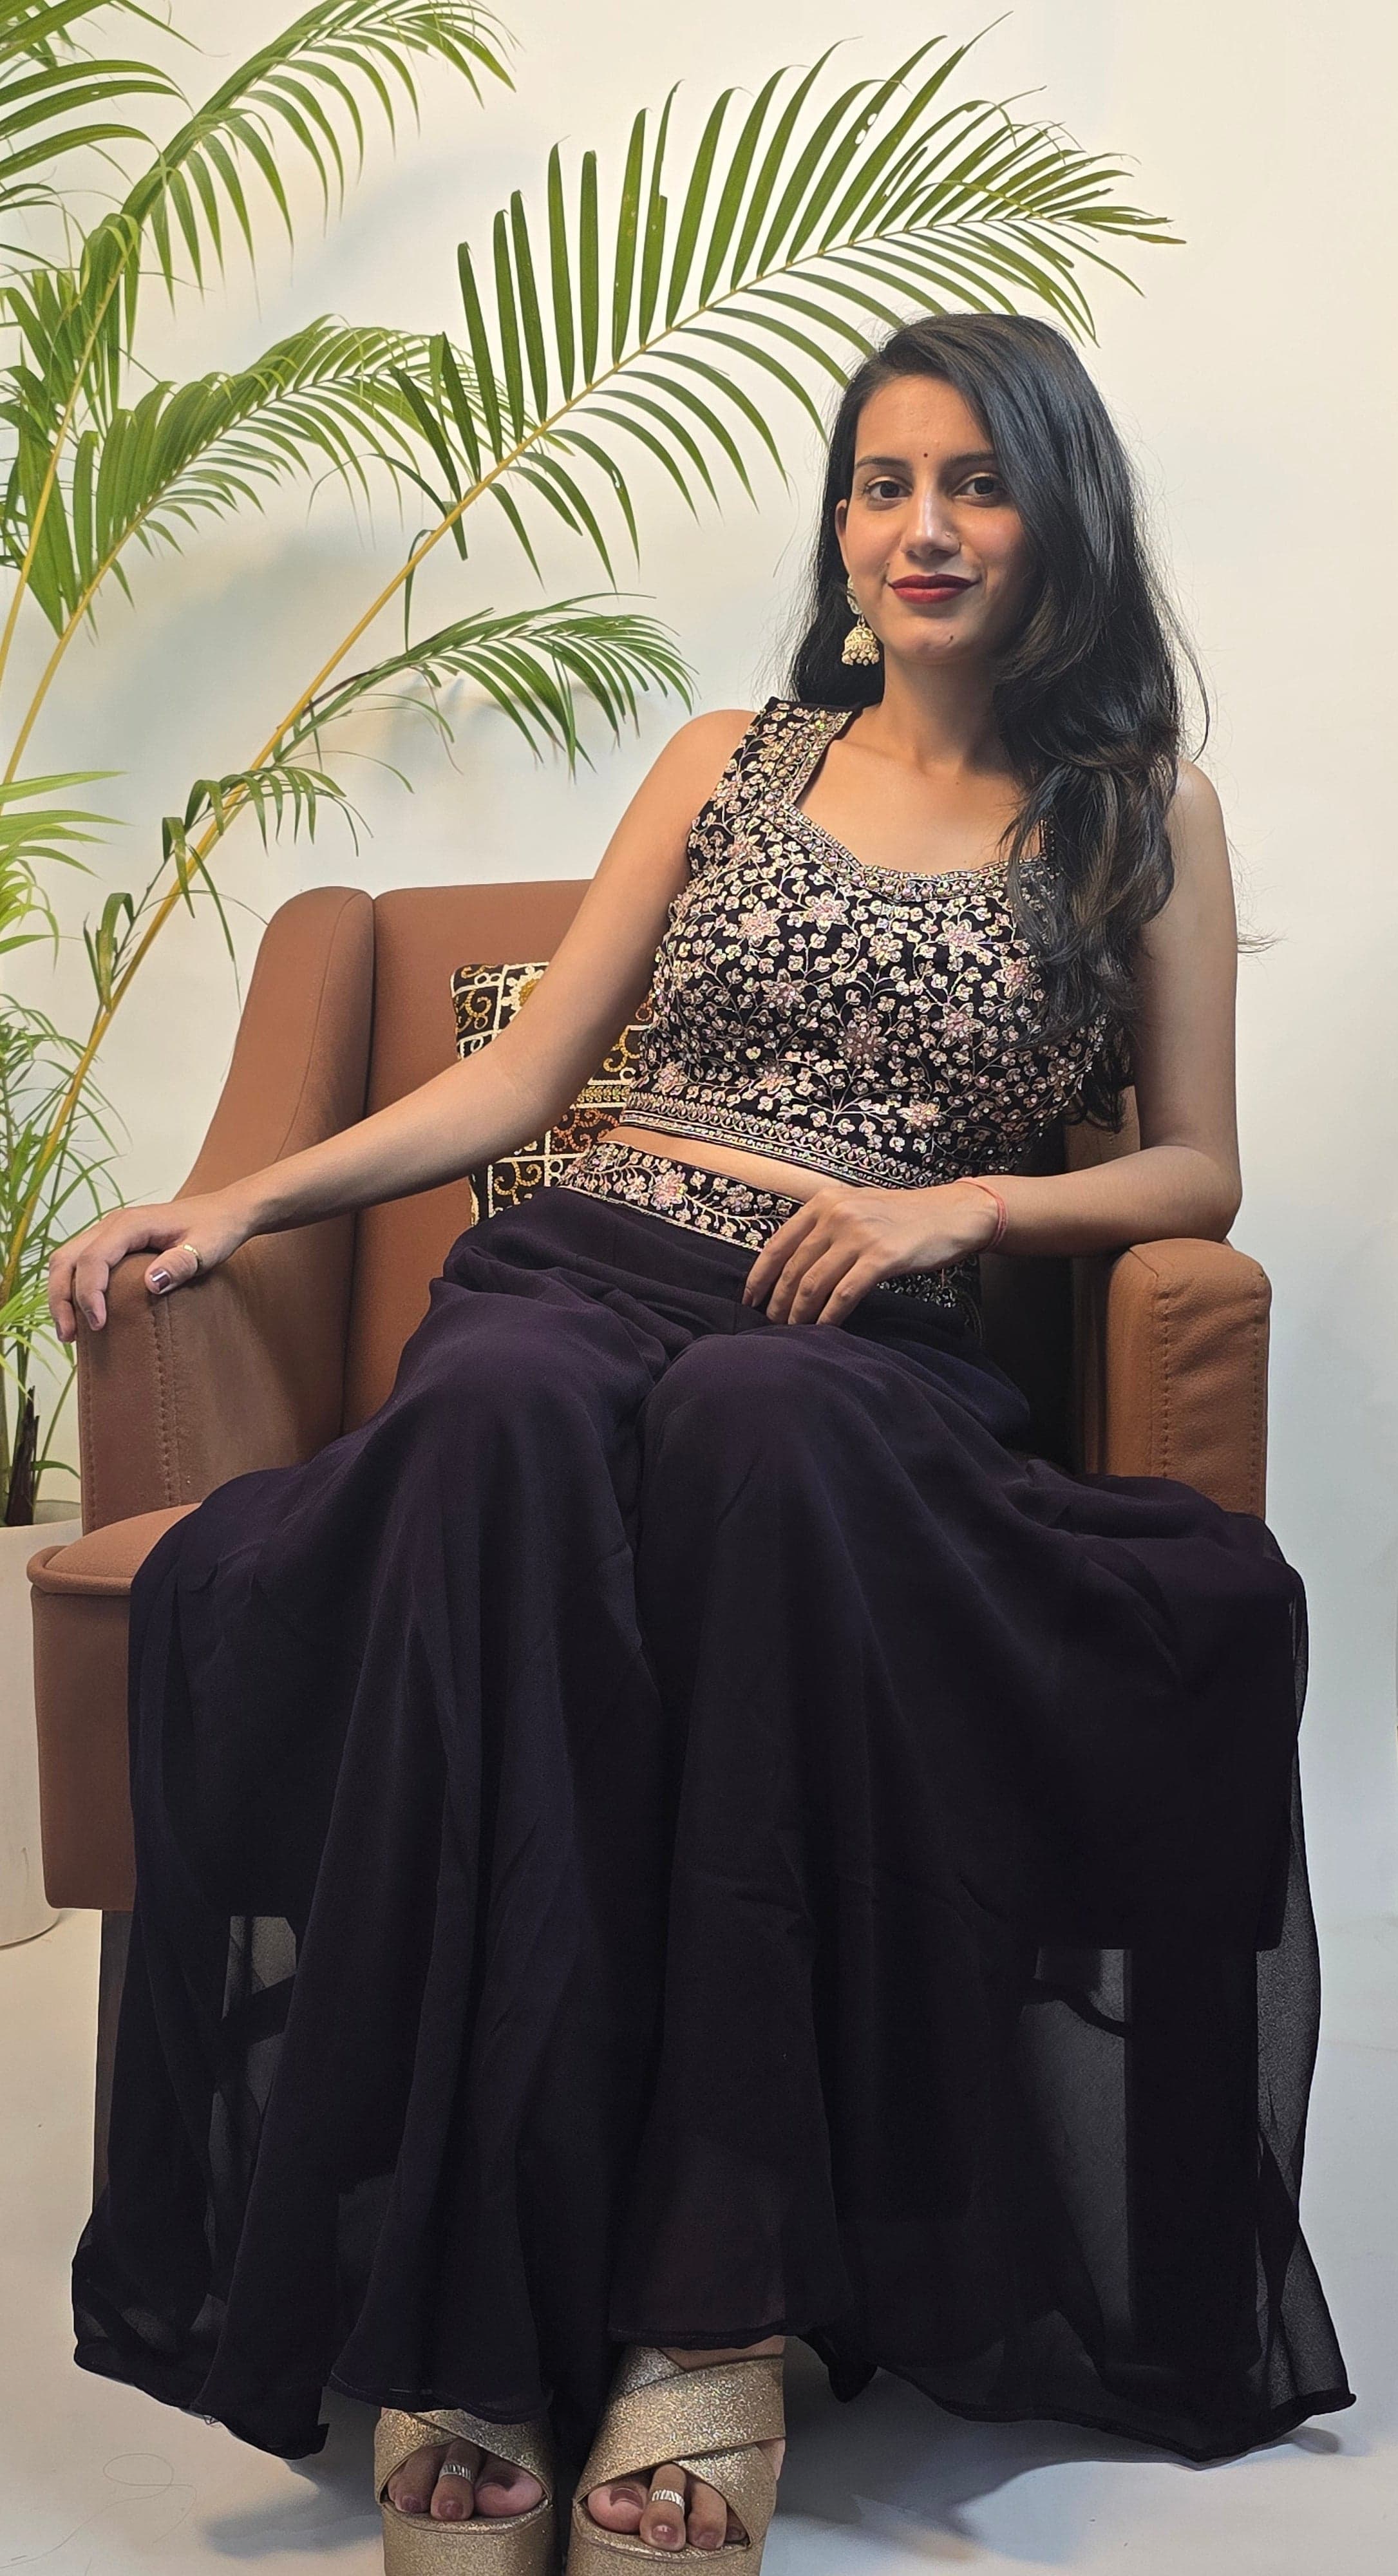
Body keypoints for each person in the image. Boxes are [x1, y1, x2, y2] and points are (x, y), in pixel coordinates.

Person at [48, 313, 1354, 2575]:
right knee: (494, 1437)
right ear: (840, 528)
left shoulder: (1137, 809)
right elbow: (523, 1082)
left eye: (973, 482)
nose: (921, 526)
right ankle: (470, 2319)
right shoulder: (726, 755)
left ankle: (705, 2316)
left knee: (756, 1433)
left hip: (849, 1347)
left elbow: (1195, 1175)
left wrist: (966, 1197)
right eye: (879, 482)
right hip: (580, 1266)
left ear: (1056, 516)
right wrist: (242, 1194)